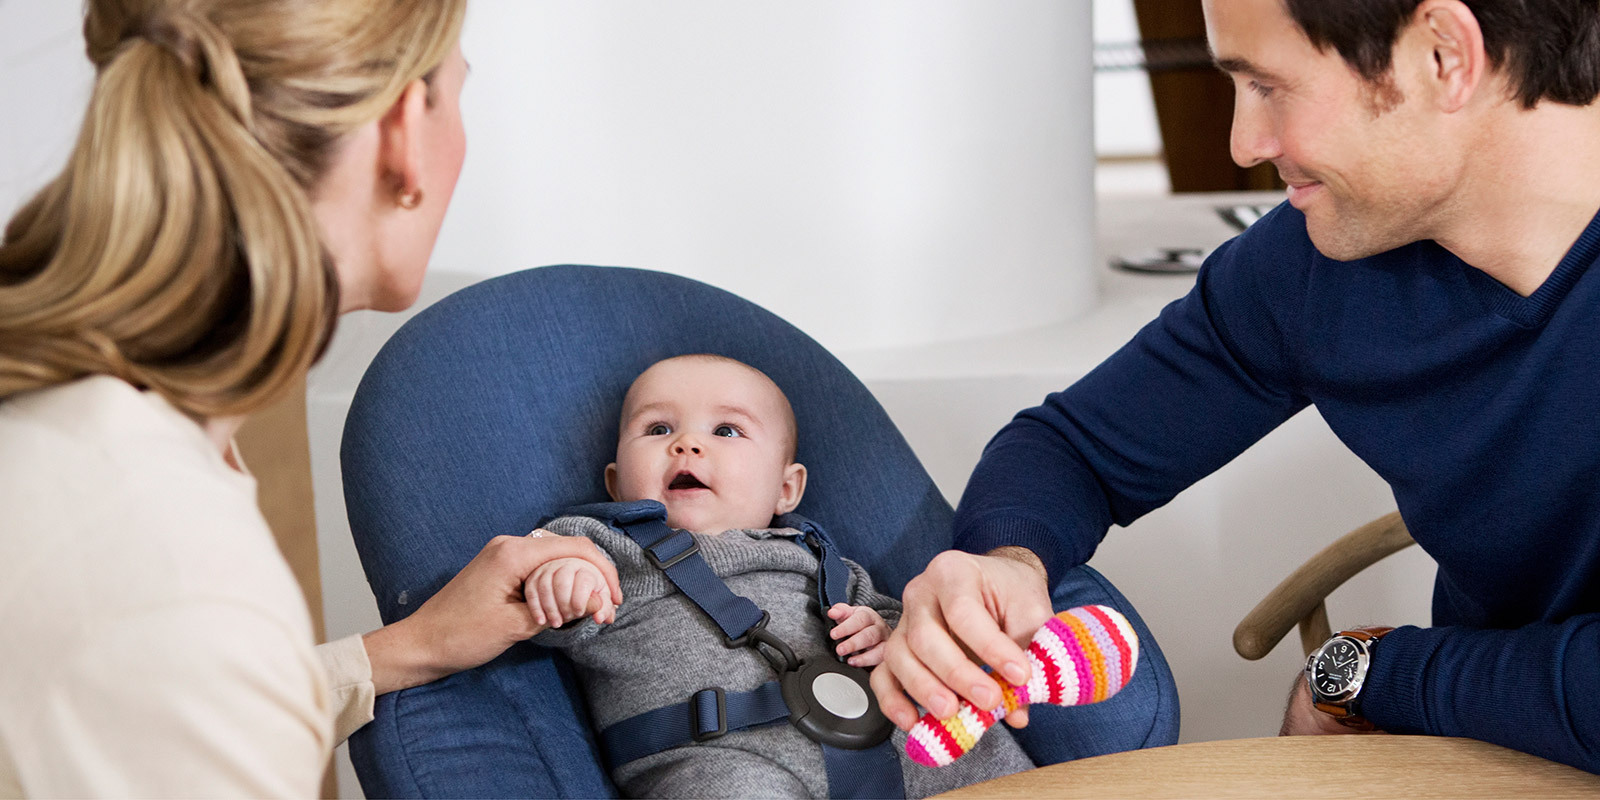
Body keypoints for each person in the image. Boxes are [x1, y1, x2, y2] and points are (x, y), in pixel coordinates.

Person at [872, 0, 1600, 774]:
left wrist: (1370, 676)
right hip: (1488, 747)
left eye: (1269, 86)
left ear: (1443, 55)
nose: (1244, 143)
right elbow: (1074, 448)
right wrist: (1006, 562)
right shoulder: (1319, 263)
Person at [0, 1, 621, 795]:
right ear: (404, 135)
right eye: (458, 93)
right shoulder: (175, 578)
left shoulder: (101, 435)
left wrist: (410, 648)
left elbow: (161, 705)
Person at [528, 354, 1033, 798]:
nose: (687, 444)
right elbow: (529, 588)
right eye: (658, 429)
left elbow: (905, 626)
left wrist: (884, 634)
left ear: (785, 490)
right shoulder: (599, 544)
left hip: (885, 731)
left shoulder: (820, 560)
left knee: (974, 743)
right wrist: (560, 579)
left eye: (726, 431)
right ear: (616, 483)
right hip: (723, 752)